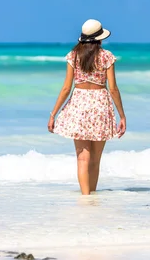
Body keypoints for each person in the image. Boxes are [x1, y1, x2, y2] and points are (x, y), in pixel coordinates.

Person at [48, 19, 126, 195]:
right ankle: (91, 198)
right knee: (95, 159)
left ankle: (86, 198)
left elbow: (67, 88)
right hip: (100, 105)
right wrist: (122, 115)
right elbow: (113, 88)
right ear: (99, 38)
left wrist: (53, 114)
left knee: (82, 158)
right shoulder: (107, 56)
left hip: (79, 105)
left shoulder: (73, 56)